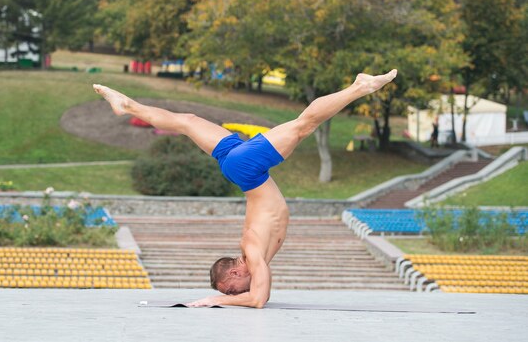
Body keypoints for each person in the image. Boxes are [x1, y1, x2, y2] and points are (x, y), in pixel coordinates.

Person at [93, 69, 397, 308]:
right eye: (231, 293)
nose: (239, 292)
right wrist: (226, 298)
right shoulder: (253, 254)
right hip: (238, 167)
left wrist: (216, 300)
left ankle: (360, 87)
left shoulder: (251, 252)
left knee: (304, 124)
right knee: (186, 121)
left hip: (246, 169)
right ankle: (127, 104)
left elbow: (257, 300)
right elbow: (259, 294)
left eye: (232, 289)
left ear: (235, 274)